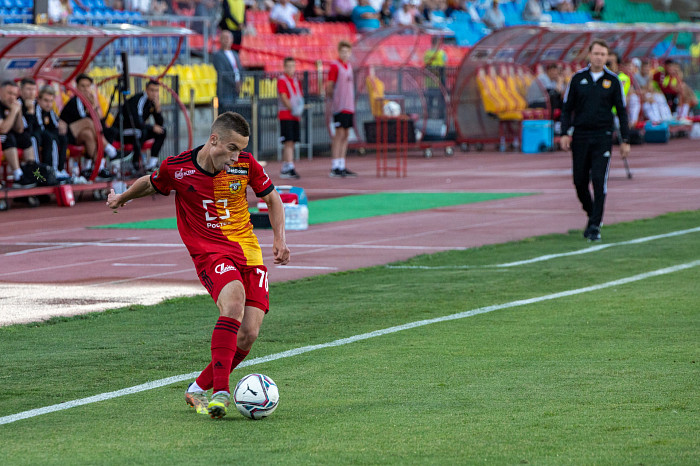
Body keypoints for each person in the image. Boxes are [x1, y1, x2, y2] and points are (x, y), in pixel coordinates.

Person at [106, 112, 290, 419]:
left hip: (248, 252)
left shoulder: (246, 165)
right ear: (214, 140)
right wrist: (122, 198)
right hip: (210, 252)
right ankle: (221, 392)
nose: (236, 156)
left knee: (248, 333)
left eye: (241, 149)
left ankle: (197, 388)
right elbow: (150, 184)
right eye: (232, 148)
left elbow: (273, 200)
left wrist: (280, 239)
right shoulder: (177, 168)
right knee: (233, 303)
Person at [560, 39, 630, 242]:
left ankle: (594, 226)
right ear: (589, 55)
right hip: (580, 136)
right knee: (579, 181)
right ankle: (592, 214)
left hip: (603, 136)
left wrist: (625, 140)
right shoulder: (577, 79)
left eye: (603, 54)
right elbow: (567, 109)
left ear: (607, 57)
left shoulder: (613, 81)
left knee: (599, 180)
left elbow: (622, 112)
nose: (599, 58)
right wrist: (564, 133)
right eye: (596, 54)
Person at [59, 74, 117, 179]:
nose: (85, 89)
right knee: (87, 121)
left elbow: (101, 124)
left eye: (88, 86)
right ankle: (108, 147)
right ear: (77, 87)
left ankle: (98, 167)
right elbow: (82, 120)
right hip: (69, 134)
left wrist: (94, 107)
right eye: (82, 86)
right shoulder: (73, 102)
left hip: (83, 135)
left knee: (88, 134)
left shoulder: (91, 101)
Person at [117, 79, 166, 172]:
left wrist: (158, 109)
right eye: (152, 90)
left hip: (137, 130)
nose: (154, 93)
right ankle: (135, 164)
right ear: (146, 90)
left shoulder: (153, 102)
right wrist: (152, 127)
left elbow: (160, 123)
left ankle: (151, 164)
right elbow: (137, 121)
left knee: (162, 131)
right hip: (123, 130)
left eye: (156, 91)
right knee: (141, 132)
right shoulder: (140, 99)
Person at [326, 40, 358, 178]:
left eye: (347, 52)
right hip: (340, 106)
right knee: (338, 134)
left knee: (345, 134)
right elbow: (329, 85)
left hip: (349, 106)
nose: (345, 54)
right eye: (342, 51)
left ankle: (342, 164)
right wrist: (334, 99)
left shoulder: (349, 66)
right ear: (339, 52)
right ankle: (335, 166)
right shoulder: (335, 66)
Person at [0, 81, 36, 187]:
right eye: (9, 93)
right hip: (3, 137)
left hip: (9, 136)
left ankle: (31, 172)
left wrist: (18, 111)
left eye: (15, 94)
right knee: (8, 137)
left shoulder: (13, 105)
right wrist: (13, 112)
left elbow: (19, 129)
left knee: (25, 138)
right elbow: (3, 129)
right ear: (1, 92)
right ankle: (18, 175)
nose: (12, 97)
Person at [35, 85, 70, 180]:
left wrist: (62, 127)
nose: (48, 104)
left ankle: (61, 169)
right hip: (39, 137)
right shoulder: (37, 109)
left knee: (63, 138)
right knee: (51, 138)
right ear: (39, 100)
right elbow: (40, 127)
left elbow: (56, 125)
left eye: (51, 101)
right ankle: (52, 170)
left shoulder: (50, 111)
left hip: (47, 136)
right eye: (46, 100)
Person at [278, 57, 304, 179]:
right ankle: (289, 166)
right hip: (286, 114)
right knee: (288, 141)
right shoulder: (282, 80)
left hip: (294, 115)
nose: (291, 68)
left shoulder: (295, 81)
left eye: (293, 66)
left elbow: (299, 97)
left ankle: (286, 167)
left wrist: (299, 109)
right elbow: (283, 96)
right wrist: (292, 108)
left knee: (292, 141)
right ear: (284, 67)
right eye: (288, 66)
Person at [212, 30, 243, 113]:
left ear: (232, 40)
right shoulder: (217, 55)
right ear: (220, 40)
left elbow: (240, 69)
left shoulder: (235, 54)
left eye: (228, 38)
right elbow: (222, 72)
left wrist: (240, 82)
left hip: (235, 92)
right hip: (225, 92)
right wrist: (235, 83)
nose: (226, 40)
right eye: (224, 38)